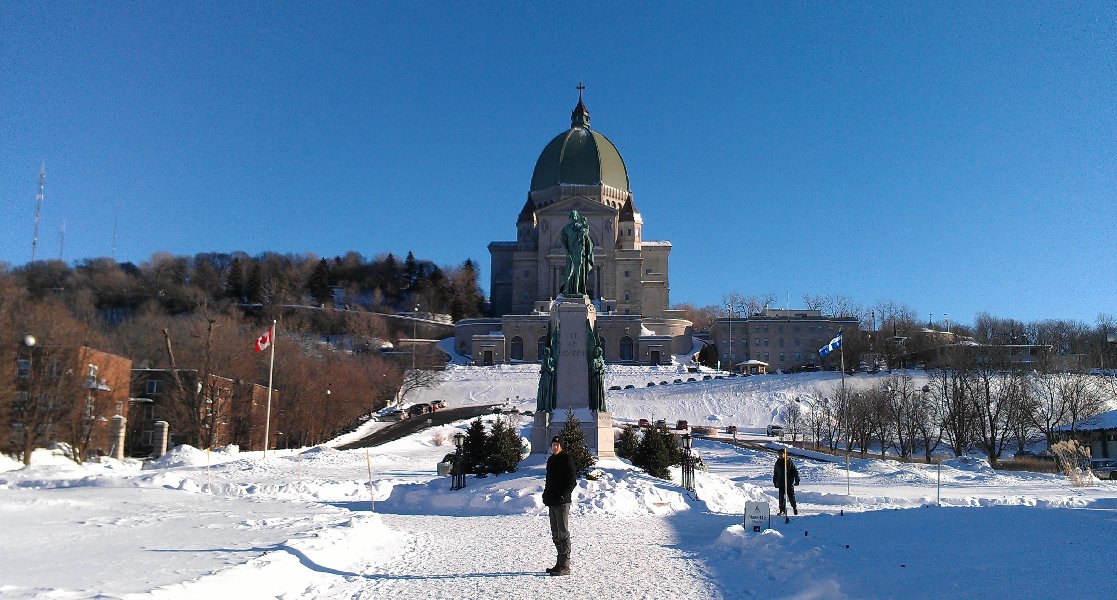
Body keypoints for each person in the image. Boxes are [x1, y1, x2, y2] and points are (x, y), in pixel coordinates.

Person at [542, 436, 577, 576]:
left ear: (561, 446)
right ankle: (559, 562)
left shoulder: (566, 458)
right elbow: (549, 480)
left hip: (562, 502)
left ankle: (565, 565)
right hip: (552, 501)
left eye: (557, 445)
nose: (555, 447)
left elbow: (572, 480)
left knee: (563, 532)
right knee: (555, 533)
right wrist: (545, 494)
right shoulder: (551, 460)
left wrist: (564, 494)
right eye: (553, 445)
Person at [773, 448, 800, 515]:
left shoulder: (789, 462)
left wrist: (797, 480)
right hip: (781, 483)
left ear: (785, 454)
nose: (780, 455)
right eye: (779, 454)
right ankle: (782, 510)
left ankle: (794, 508)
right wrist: (775, 482)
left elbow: (795, 472)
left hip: (789, 483)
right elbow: (775, 473)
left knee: (791, 497)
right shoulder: (777, 463)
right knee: (781, 498)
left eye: (781, 454)